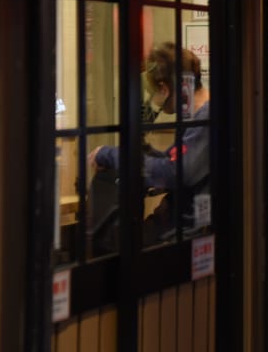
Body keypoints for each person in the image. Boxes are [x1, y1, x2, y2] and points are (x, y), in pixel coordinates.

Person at [89, 42, 211, 241]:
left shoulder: (204, 119)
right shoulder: (198, 116)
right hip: (180, 225)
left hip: (186, 233)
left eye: (155, 92)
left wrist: (110, 155)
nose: (154, 98)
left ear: (164, 89)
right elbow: (172, 160)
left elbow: (173, 171)